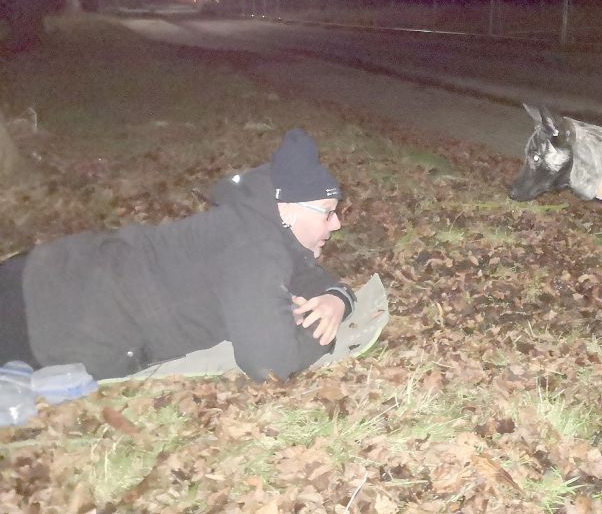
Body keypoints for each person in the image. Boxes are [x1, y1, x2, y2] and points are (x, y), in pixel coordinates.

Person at [0, 129, 356, 381]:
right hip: (49, 319)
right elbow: (271, 365)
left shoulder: (254, 221)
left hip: (53, 272)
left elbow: (302, 267)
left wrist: (337, 299)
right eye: (327, 211)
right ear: (289, 209)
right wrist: (321, 333)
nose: (336, 223)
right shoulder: (255, 251)